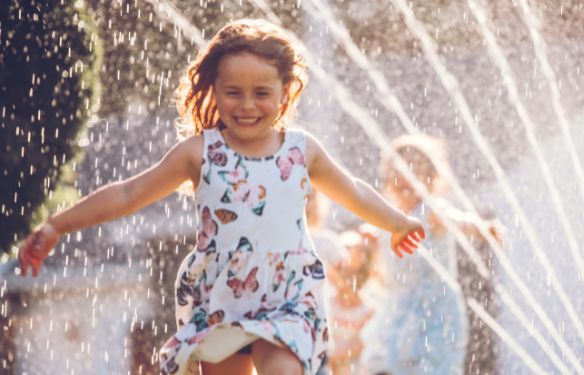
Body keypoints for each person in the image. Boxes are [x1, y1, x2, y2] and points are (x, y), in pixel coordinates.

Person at [16, 19, 425, 375]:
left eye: (261, 92)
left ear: (286, 92)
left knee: (284, 368)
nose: (247, 105)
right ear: (214, 90)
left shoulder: (302, 151)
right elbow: (128, 193)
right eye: (233, 92)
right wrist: (57, 225)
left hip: (287, 296)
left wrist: (397, 222)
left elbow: (353, 189)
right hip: (221, 299)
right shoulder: (201, 152)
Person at [358, 134, 502, 375]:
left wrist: (481, 228)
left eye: (416, 169)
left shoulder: (430, 211)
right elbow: (380, 269)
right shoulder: (385, 218)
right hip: (398, 309)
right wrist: (367, 247)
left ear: (430, 178)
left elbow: (456, 220)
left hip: (435, 312)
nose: (405, 176)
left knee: (431, 367)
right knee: (380, 364)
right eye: (399, 169)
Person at [325, 230, 374, 375]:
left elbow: (364, 344)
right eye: (341, 273)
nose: (345, 282)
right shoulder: (326, 302)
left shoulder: (368, 308)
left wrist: (332, 357)